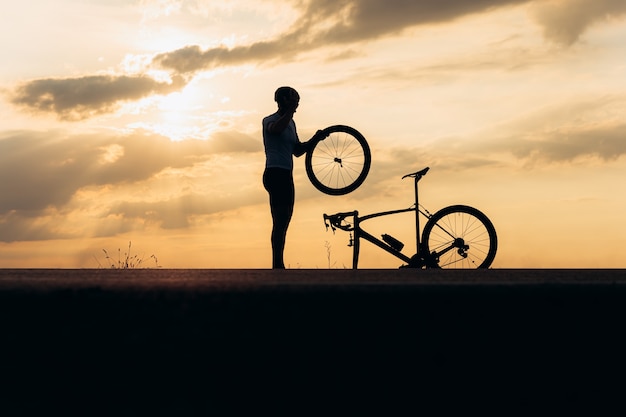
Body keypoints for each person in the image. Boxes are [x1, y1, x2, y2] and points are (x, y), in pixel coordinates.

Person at [262, 86, 326, 269]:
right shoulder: (269, 120)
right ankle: (277, 264)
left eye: (297, 102)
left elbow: (297, 151)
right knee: (279, 220)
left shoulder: (291, 123)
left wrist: (316, 139)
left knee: (284, 221)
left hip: (287, 175)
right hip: (274, 173)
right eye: (293, 101)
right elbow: (275, 130)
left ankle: (278, 263)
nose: (296, 106)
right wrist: (289, 111)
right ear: (282, 101)